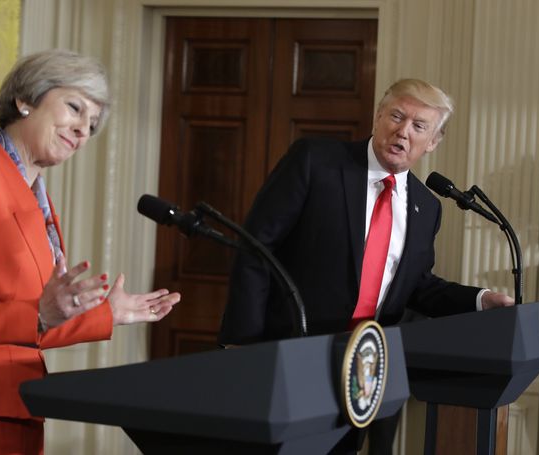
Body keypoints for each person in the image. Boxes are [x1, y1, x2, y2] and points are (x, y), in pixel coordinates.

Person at [0, 49, 180, 454]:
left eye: (92, 124)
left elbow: (27, 327)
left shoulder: (36, 201)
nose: (83, 130)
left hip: (19, 414)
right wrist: (38, 314)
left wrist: (107, 314)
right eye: (75, 108)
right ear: (24, 100)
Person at [218, 78, 514, 454]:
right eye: (396, 116)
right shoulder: (316, 161)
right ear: (377, 117)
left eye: (419, 126)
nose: (403, 131)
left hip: (358, 371)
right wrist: (242, 343)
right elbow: (254, 248)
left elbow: (416, 286)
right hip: (286, 354)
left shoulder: (427, 207)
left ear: (433, 142)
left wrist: (480, 300)